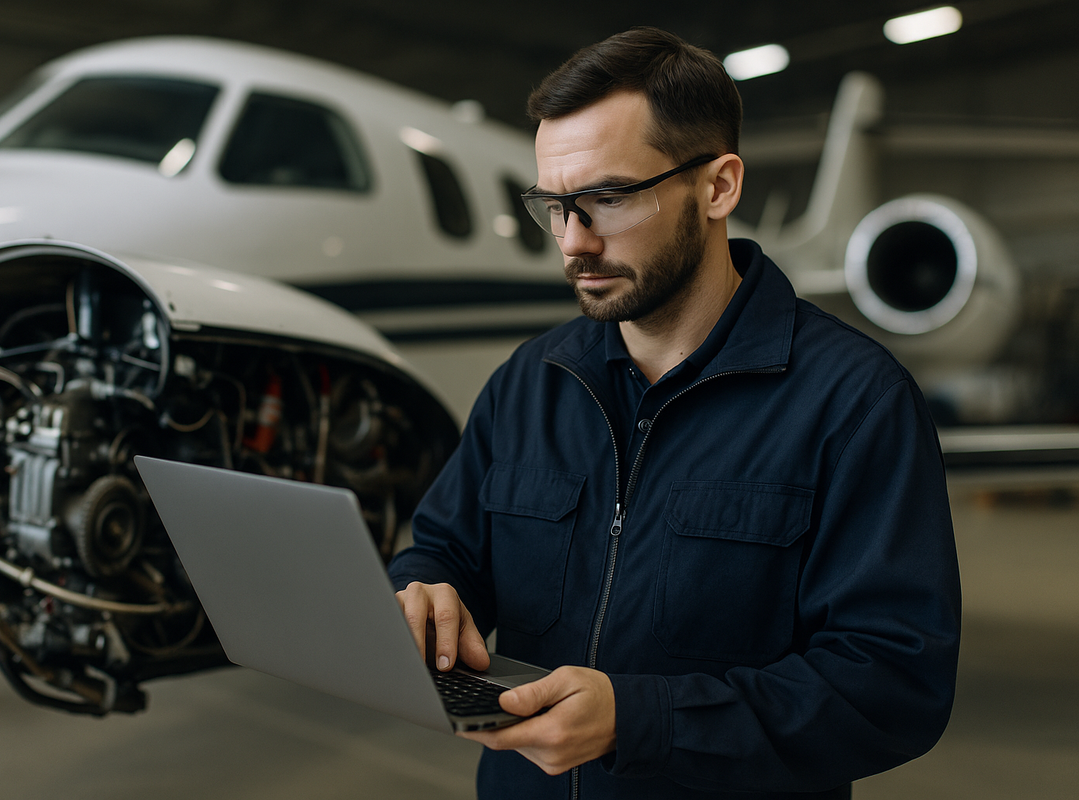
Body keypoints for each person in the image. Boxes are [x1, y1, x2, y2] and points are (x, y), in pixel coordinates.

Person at [387, 26, 961, 799]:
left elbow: (893, 684)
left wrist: (639, 719)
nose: (573, 243)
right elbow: (447, 552)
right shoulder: (533, 379)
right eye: (553, 206)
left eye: (608, 199)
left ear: (719, 186)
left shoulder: (854, 402)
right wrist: (424, 589)